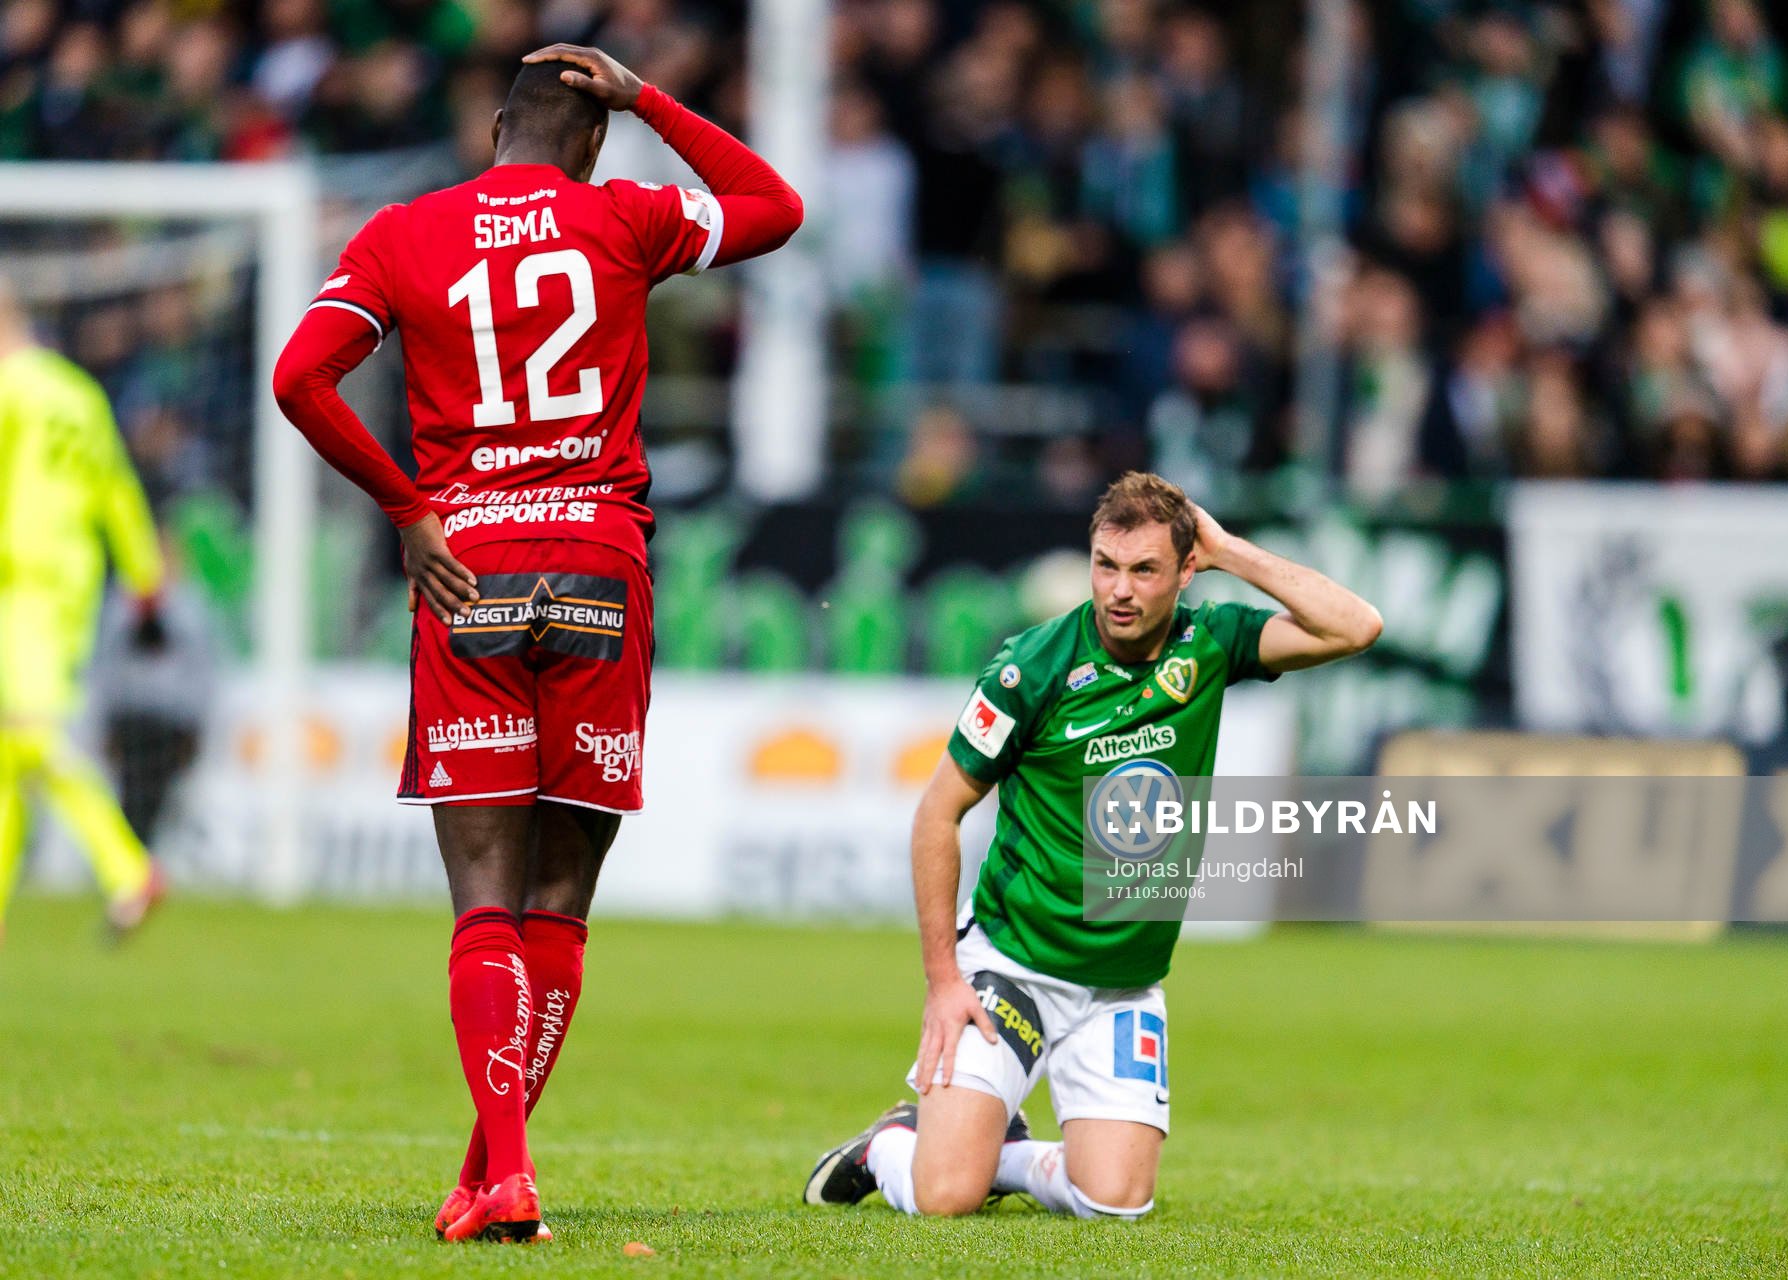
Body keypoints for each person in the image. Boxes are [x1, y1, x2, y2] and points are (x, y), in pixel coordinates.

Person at [272, 45, 802, 1243]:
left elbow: (301, 377)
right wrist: (654, 98)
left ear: (494, 130)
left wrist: (409, 508)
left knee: (483, 898)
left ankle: (498, 1169)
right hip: (599, 570)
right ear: (594, 137)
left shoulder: (403, 235)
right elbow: (777, 207)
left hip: (473, 571)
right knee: (558, 899)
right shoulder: (620, 217)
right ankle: (492, 1172)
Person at [803, 472, 1381, 1220]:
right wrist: (944, 979)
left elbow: (1356, 626)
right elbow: (936, 814)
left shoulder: (1208, 645)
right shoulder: (1030, 669)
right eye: (1107, 565)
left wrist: (1233, 550)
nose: (1121, 590)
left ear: (1185, 570)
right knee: (945, 1196)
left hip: (1122, 983)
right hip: (1012, 966)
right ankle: (888, 1144)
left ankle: (1001, 1157)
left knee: (1115, 1203)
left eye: (1145, 570)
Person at [0, 277, 168, 944]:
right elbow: (117, 490)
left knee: (34, 731)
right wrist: (145, 579)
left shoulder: (10, 391)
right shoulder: (79, 393)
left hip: (20, 578)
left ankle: (127, 867)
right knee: (9, 750)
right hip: (72, 581)